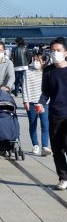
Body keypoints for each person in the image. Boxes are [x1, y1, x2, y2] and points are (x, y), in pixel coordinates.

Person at [36, 37, 67, 190]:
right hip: (55, 114)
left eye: (58, 50)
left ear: (65, 52)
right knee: (57, 149)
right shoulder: (48, 71)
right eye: (52, 50)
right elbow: (45, 93)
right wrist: (41, 103)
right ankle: (63, 178)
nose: (55, 53)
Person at [21, 52, 50, 157]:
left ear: (43, 61)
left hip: (44, 102)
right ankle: (35, 145)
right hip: (31, 102)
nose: (35, 62)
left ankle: (45, 146)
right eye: (34, 59)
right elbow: (24, 87)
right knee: (33, 124)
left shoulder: (47, 72)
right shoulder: (27, 71)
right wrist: (25, 101)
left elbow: (49, 88)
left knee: (45, 124)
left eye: (38, 60)